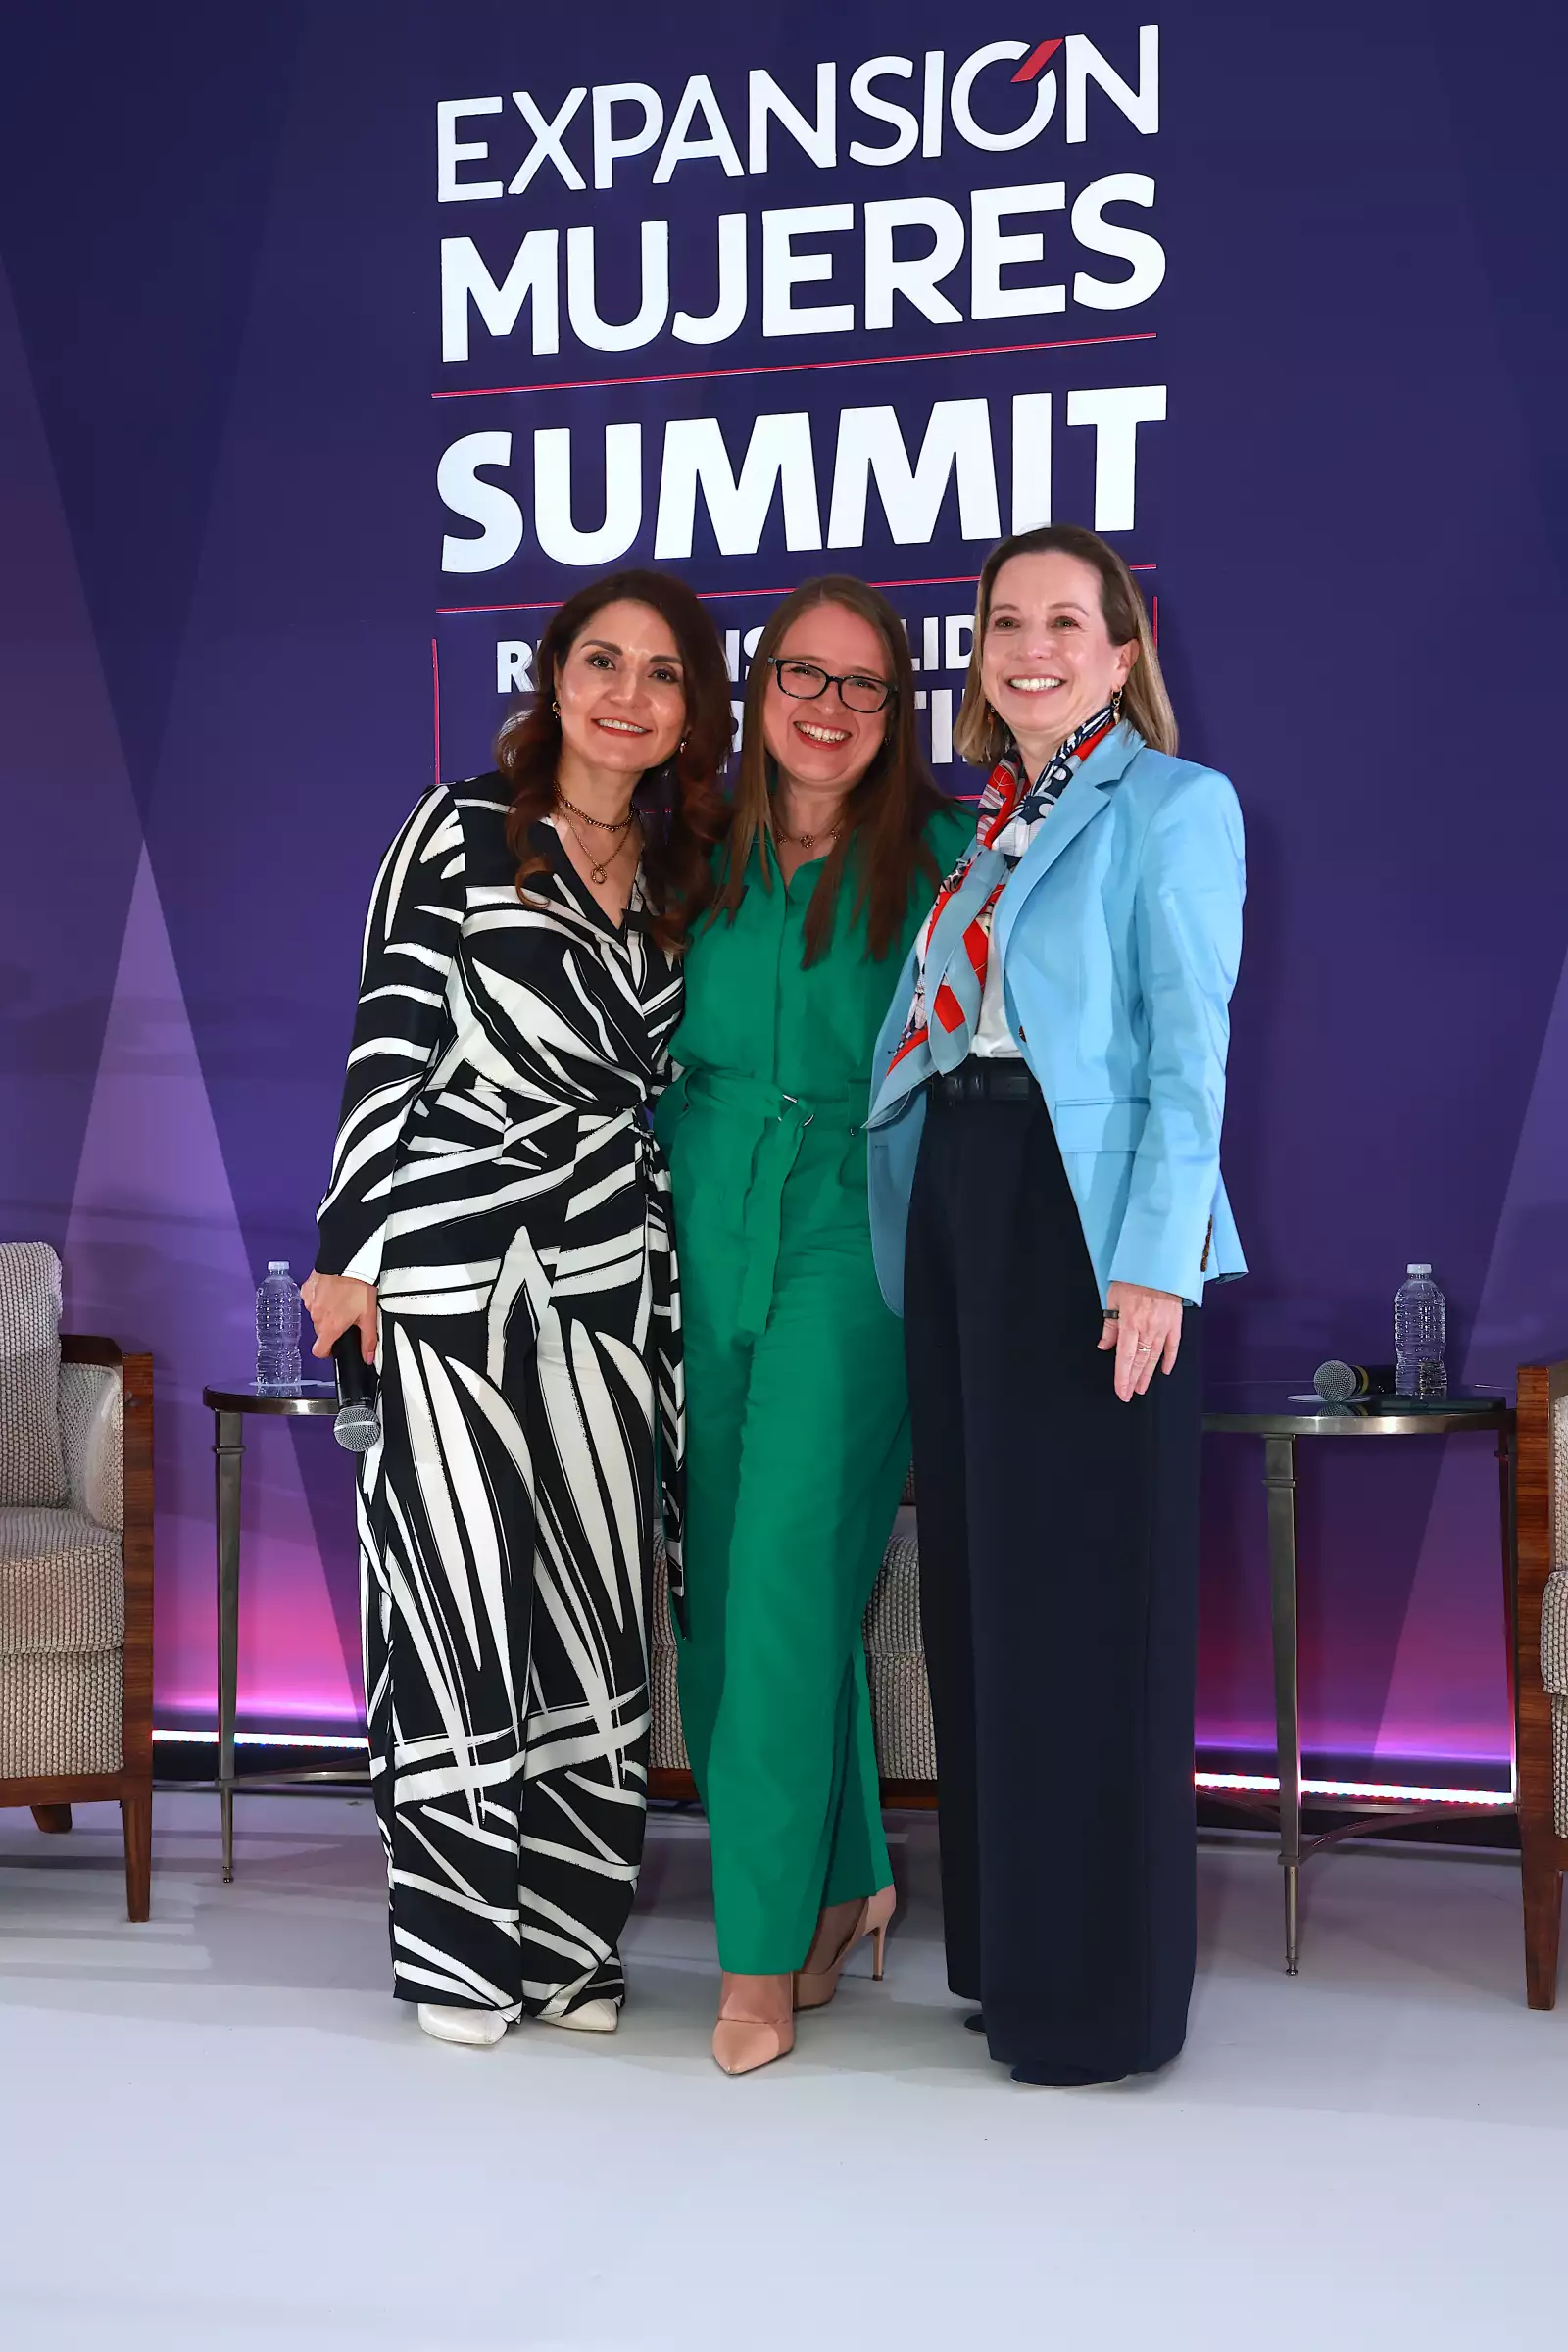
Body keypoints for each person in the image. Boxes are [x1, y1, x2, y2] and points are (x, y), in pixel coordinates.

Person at [303, 570, 731, 2046]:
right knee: (459, 1599)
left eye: (661, 674)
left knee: (593, 1607)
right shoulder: (456, 831)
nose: (628, 694)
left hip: (614, 1272)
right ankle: (457, 1957)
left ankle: (567, 1947)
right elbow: (386, 1043)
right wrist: (346, 1248)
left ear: (690, 715)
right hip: (450, 1262)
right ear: (552, 681)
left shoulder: (687, 873)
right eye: (601, 662)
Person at [866, 523, 1246, 2086]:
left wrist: (1155, 1257)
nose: (1029, 646)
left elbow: (1186, 1045)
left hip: (1089, 1235)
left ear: (1120, 646)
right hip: (968, 1210)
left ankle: (1098, 1998)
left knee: (1090, 1610)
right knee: (983, 1593)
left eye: (1064, 621)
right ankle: (1012, 1957)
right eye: (1004, 621)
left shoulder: (1175, 805)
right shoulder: (984, 829)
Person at [657, 577, 973, 2075]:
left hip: (855, 1220)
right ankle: (846, 1881)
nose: (829, 707)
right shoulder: (688, 853)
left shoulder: (946, 860)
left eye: (862, 684)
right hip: (693, 1216)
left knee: (785, 1570)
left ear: (895, 707)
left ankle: (758, 1959)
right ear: (760, 686)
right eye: (803, 675)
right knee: (722, 1601)